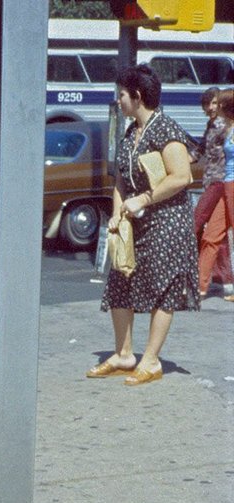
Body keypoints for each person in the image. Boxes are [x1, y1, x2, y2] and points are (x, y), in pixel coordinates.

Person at [87, 65, 199, 385]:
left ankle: (150, 361)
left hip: (167, 221)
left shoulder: (166, 129)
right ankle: (124, 353)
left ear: (137, 97)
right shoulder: (131, 132)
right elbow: (121, 181)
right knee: (120, 281)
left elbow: (182, 176)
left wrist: (145, 199)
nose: (118, 100)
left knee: (162, 286)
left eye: (121, 95)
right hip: (136, 221)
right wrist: (117, 213)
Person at [192, 87, 233, 297]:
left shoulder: (222, 126)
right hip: (217, 182)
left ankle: (194, 279)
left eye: (216, 104)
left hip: (221, 183)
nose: (211, 108)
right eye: (208, 104)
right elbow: (200, 149)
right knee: (216, 235)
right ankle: (218, 281)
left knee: (196, 222)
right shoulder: (215, 126)